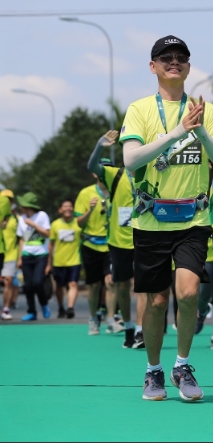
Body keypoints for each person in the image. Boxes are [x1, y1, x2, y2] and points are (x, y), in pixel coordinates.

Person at [121, 35, 213, 402]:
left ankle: (182, 365)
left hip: (193, 220)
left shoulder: (207, 111)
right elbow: (131, 160)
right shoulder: (139, 110)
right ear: (153, 66)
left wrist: (200, 131)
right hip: (150, 221)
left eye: (181, 57)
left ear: (187, 66)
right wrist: (179, 132)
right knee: (154, 302)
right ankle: (153, 371)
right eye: (165, 57)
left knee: (187, 293)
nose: (174, 62)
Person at [89, 131, 140, 347]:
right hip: (119, 242)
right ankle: (128, 326)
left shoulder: (153, 172)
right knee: (122, 287)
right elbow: (92, 167)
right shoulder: (116, 174)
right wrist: (99, 146)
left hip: (146, 237)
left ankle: (142, 329)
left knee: (147, 287)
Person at [75, 160, 113, 335]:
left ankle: (112, 319)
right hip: (91, 245)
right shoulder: (85, 193)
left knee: (110, 282)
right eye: (100, 169)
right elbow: (79, 224)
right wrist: (89, 210)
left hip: (112, 244)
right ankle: (93, 318)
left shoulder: (117, 190)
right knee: (94, 286)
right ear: (94, 173)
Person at [15, 193, 52, 321]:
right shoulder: (21, 219)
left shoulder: (42, 216)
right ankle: (32, 311)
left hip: (40, 255)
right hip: (26, 256)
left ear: (27, 206)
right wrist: (19, 258)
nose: (20, 207)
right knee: (28, 285)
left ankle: (44, 305)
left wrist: (34, 224)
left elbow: (47, 234)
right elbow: (21, 240)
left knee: (38, 282)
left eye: (22, 204)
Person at [49, 200, 82, 318]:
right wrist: (48, 263)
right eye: (65, 206)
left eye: (70, 206)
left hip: (75, 260)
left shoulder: (78, 223)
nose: (68, 208)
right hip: (59, 261)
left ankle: (70, 308)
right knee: (59, 286)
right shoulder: (55, 224)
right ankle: (61, 307)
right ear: (60, 210)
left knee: (73, 283)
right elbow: (51, 244)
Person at [1, 190, 19, 320]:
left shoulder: (17, 219)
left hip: (11, 254)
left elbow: (21, 238)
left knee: (9, 281)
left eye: (9, 200)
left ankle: (6, 309)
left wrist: (20, 257)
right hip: (0, 253)